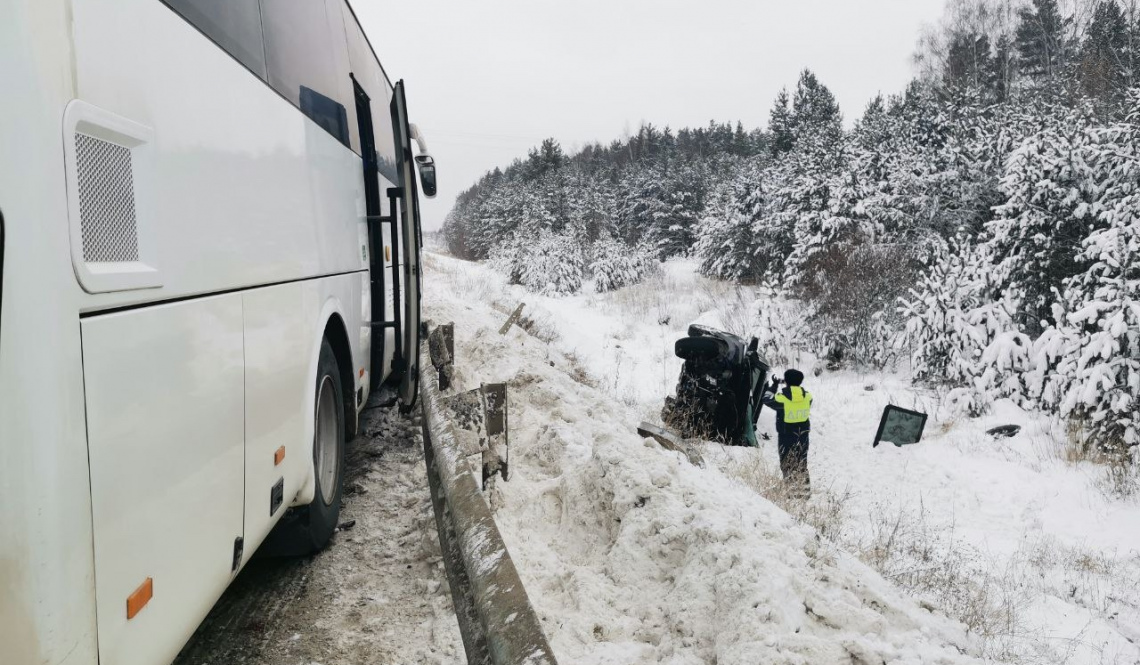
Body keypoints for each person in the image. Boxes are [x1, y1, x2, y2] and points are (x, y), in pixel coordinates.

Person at [761, 369, 813, 498]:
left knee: (787, 463)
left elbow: (766, 399)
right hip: (803, 435)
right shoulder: (808, 397)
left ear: (786, 381)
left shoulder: (782, 398)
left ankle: (791, 494)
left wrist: (774, 386)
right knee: (802, 463)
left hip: (786, 436)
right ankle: (805, 493)